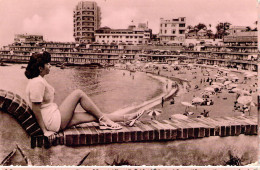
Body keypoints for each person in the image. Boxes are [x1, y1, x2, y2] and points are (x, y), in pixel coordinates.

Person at [25, 52, 144, 137]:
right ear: (40, 68)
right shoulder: (37, 82)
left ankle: (127, 118)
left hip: (53, 118)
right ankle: (105, 120)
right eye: (47, 64)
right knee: (78, 93)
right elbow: (36, 109)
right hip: (52, 121)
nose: (50, 65)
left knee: (93, 115)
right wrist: (45, 131)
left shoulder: (38, 80)